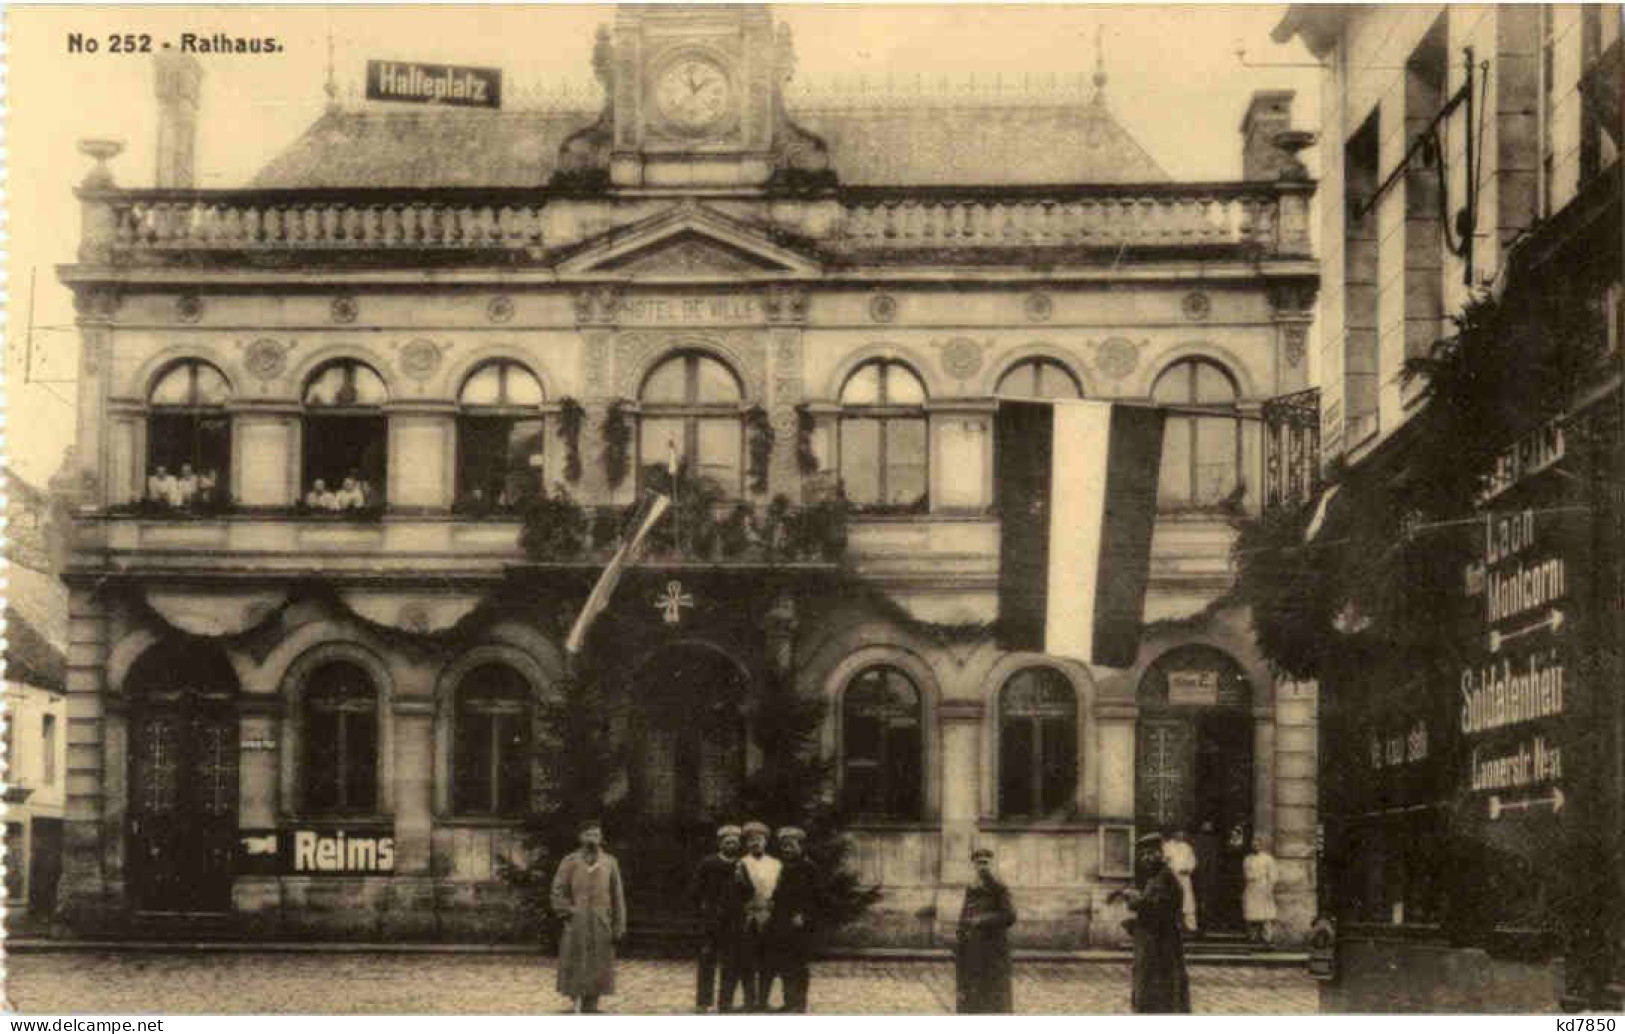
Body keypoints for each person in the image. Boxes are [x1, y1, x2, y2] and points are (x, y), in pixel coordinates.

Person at [550, 819, 627, 1014]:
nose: (592, 839)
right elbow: (557, 890)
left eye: (596, 835)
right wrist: (568, 910)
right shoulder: (570, 862)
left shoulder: (610, 862)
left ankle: (593, 1002)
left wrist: (619, 924)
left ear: (601, 838)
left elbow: (618, 895)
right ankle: (575, 999)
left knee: (600, 961)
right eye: (588, 835)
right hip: (578, 921)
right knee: (576, 960)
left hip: (602, 921)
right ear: (580, 837)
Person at [1122, 833, 1191, 1014]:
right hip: (1154, 942)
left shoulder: (1166, 877)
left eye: (1149, 853)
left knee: (1161, 989)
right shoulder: (1155, 877)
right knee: (1151, 987)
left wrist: (1136, 901)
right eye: (1143, 855)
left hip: (1162, 944)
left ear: (1159, 853)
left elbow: (1159, 908)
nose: (1145, 858)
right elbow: (1153, 905)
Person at [955, 847, 1016, 1014]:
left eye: (985, 863)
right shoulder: (972, 887)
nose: (982, 867)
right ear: (974, 865)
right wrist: (960, 933)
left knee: (994, 994)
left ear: (991, 864)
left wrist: (981, 920)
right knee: (971, 991)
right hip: (972, 948)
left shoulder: (999, 887)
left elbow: (1010, 915)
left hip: (993, 948)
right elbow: (965, 912)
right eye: (979, 863)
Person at [691, 824, 745, 1013]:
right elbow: (695, 890)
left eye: (735, 842)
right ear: (720, 843)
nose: (731, 845)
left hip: (734, 921)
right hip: (711, 920)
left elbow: (750, 893)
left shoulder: (742, 864)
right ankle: (703, 1002)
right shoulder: (708, 863)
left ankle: (725, 1002)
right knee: (707, 960)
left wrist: (742, 881)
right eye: (727, 842)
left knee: (731, 963)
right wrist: (704, 909)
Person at [769, 826, 817, 1014]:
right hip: (781, 920)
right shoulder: (780, 867)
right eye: (784, 847)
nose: (787, 850)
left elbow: (816, 896)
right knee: (784, 962)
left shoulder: (809, 868)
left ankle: (799, 1003)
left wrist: (803, 914)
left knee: (799, 963)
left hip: (801, 923)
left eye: (791, 846)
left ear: (801, 846)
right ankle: (789, 1001)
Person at [735, 819, 781, 1012]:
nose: (756, 843)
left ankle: (763, 1001)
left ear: (766, 842)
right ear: (746, 844)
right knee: (746, 960)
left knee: (768, 961)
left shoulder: (776, 864)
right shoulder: (740, 863)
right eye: (751, 840)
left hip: (769, 917)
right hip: (747, 918)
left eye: (759, 839)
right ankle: (748, 1001)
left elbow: (781, 889)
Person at [1243, 834, 1279, 948]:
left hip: (1263, 887)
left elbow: (1273, 875)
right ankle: (1253, 938)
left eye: (1258, 843)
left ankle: (1267, 939)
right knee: (1252, 915)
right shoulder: (1247, 859)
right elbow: (1245, 873)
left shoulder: (1268, 859)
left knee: (1266, 915)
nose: (1255, 845)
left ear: (1262, 845)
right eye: (1253, 843)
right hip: (1251, 887)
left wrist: (1269, 888)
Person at [1164, 828, 1198, 934]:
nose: (1181, 835)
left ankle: (1190, 927)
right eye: (1178, 833)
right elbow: (1165, 861)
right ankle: (1170, 926)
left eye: (1183, 833)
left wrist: (1188, 868)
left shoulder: (1187, 847)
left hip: (1185, 877)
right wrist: (1173, 871)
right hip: (1172, 877)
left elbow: (1193, 861)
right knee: (1171, 899)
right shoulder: (1167, 846)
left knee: (1187, 901)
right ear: (1174, 834)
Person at [1192, 820, 1221, 933]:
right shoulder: (1197, 841)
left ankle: (1207, 923)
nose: (1207, 828)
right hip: (1198, 875)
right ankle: (1199, 924)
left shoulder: (1214, 842)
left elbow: (1214, 860)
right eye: (1205, 826)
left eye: (1209, 826)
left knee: (1209, 900)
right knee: (1198, 900)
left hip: (1209, 877)